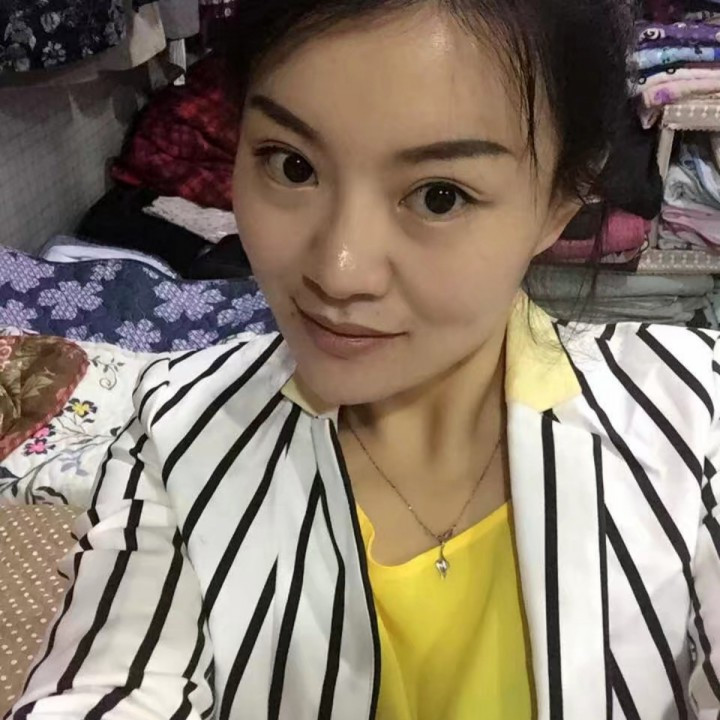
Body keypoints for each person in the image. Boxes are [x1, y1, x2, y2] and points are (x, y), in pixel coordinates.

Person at [9, 1, 720, 719]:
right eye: (292, 166)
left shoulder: (697, 419)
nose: (339, 270)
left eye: (439, 196)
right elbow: (106, 684)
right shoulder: (175, 430)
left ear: (559, 204)